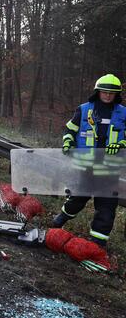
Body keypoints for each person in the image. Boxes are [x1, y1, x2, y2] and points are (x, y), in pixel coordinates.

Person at [52, 74, 126, 246]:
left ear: (117, 94)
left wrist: (121, 144)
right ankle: (59, 220)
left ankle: (96, 245)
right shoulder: (84, 110)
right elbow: (70, 130)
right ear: (97, 92)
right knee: (77, 199)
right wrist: (68, 142)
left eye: (112, 93)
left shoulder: (124, 113)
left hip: (110, 170)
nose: (108, 95)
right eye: (104, 91)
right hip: (86, 168)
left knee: (106, 208)